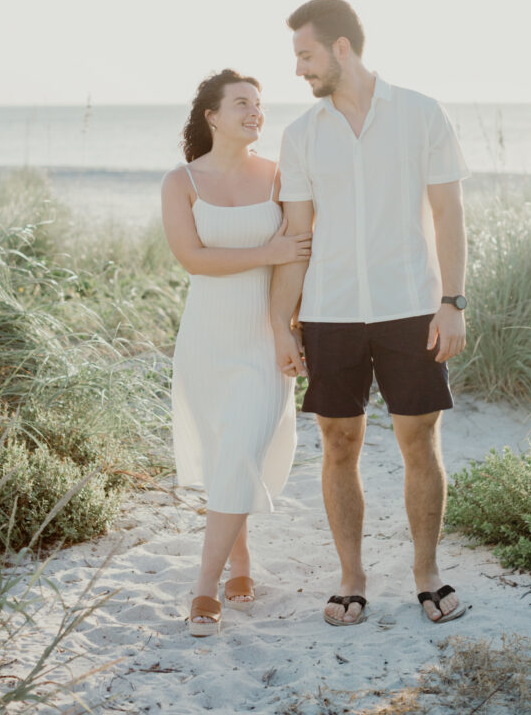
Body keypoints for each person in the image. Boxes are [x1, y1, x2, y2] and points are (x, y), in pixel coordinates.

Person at [270, 0, 470, 627]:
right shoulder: (301, 135)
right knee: (338, 442)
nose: (299, 69)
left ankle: (427, 572)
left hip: (410, 305)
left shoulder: (420, 114)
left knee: (418, 439)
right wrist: (286, 320)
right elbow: (298, 237)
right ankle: (352, 575)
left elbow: (448, 214)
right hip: (330, 311)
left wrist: (452, 301)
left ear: (341, 48)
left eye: (305, 54)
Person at [161, 69, 310, 636]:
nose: (255, 112)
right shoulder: (181, 183)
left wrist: (284, 325)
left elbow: (297, 254)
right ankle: (241, 563)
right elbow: (193, 259)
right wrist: (267, 247)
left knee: (244, 441)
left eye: (259, 104)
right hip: (204, 339)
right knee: (228, 452)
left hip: (262, 336)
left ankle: (203, 589)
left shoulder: (279, 177)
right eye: (242, 103)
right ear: (212, 116)